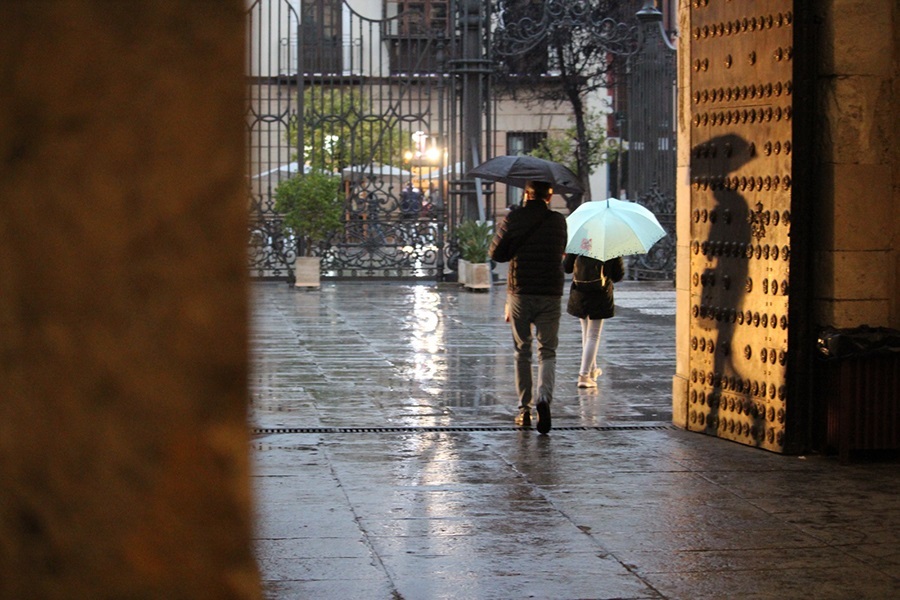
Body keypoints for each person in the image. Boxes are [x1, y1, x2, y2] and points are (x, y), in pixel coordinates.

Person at [489, 180, 567, 434]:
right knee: (548, 351)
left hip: (521, 292)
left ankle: (524, 409)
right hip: (551, 293)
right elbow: (561, 252)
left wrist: (514, 244)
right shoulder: (558, 221)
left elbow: (496, 254)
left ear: (526, 195)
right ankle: (544, 399)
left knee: (522, 350)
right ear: (549, 197)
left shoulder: (515, 218)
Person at [563, 253, 625, 388]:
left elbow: (566, 267)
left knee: (586, 333)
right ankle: (584, 375)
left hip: (579, 292)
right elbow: (618, 275)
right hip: (600, 293)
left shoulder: (579, 241)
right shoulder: (611, 245)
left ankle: (592, 370)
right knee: (593, 335)